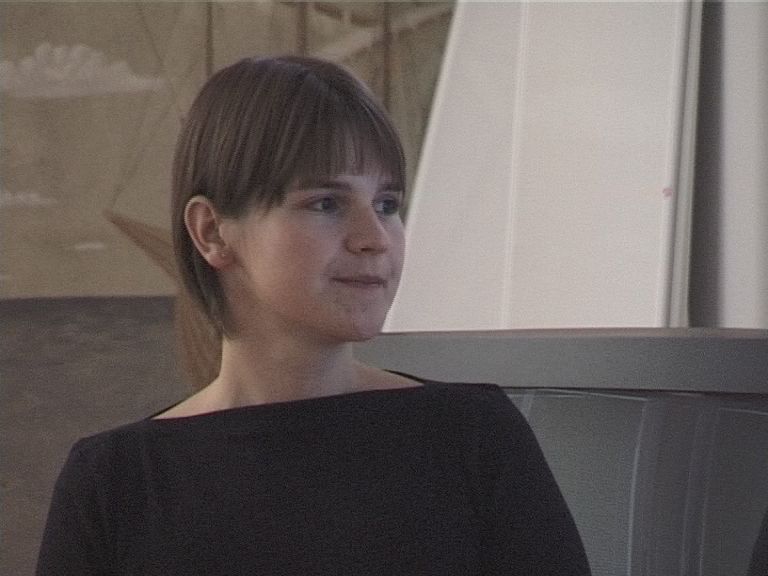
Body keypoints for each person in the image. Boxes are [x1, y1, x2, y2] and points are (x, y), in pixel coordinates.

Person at [36, 55, 591, 575]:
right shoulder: (114, 484)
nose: (375, 238)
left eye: (387, 205)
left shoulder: (473, 438)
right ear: (211, 232)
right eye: (326, 203)